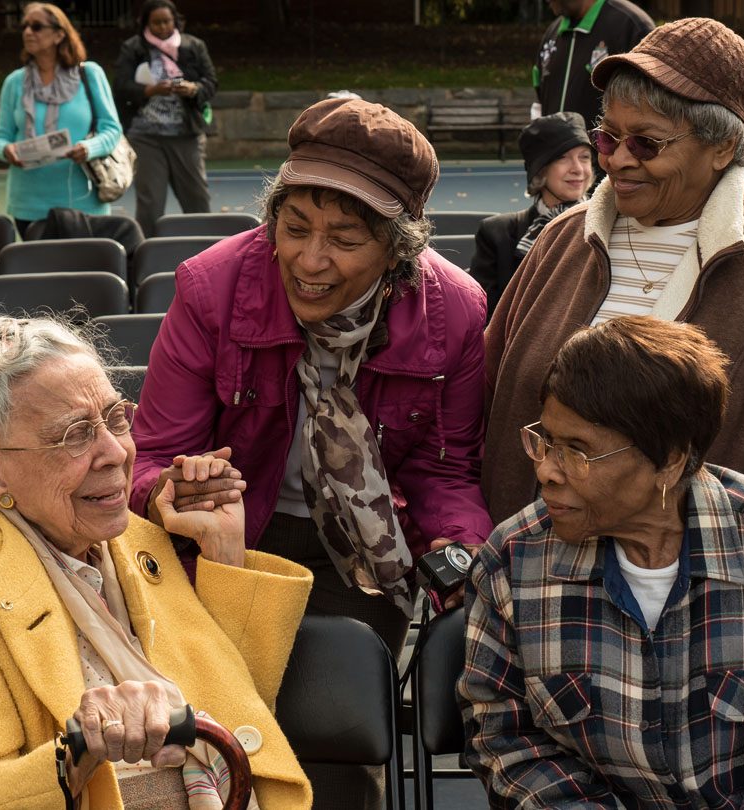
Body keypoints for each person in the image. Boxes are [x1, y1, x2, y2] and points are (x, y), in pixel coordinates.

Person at [129, 96, 490, 807]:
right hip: (224, 545)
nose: (311, 259)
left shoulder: (456, 311)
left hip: (362, 550)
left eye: (345, 239)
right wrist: (175, 492)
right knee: (211, 736)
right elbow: (152, 452)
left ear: (399, 247)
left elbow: (444, 468)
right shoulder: (212, 286)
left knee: (332, 745)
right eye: (294, 228)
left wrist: (457, 547)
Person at [483, 17, 744, 563]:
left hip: (718, 588)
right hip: (538, 574)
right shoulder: (562, 239)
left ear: (722, 146)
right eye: (607, 136)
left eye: (647, 143)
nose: (617, 159)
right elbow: (485, 393)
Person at [460, 315, 744, 808]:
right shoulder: (513, 563)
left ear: (671, 461)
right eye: (545, 440)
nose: (545, 469)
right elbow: (505, 741)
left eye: (577, 451)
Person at [0, 316, 313, 809]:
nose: (116, 452)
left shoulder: (135, 539)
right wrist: (80, 746)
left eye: (116, 419)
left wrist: (223, 552)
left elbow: (241, 711)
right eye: (75, 435)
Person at [0, 3, 122, 238]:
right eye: (25, 26)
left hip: (85, 198)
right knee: (42, 270)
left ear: (60, 34)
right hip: (29, 202)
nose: (28, 32)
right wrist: (6, 150)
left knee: (88, 268)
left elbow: (112, 129)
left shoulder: (90, 74)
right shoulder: (14, 82)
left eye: (37, 26)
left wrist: (88, 148)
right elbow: (0, 137)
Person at [470, 111, 593, 317]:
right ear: (540, 171)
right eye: (563, 158)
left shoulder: (611, 225)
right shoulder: (498, 233)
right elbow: (485, 314)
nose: (578, 169)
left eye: (585, 157)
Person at [113, 0, 218, 238]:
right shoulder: (133, 48)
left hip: (186, 134)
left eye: (166, 21)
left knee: (197, 198)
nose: (162, 27)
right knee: (150, 202)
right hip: (146, 136)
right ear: (146, 24)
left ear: (175, 21)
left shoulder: (194, 46)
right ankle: (147, 253)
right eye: (156, 22)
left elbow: (211, 83)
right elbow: (121, 87)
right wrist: (150, 91)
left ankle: (208, 249)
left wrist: (192, 89)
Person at [532, 0, 653, 124]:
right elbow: (539, 100)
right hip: (552, 143)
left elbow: (650, 105)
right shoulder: (552, 34)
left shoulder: (631, 26)